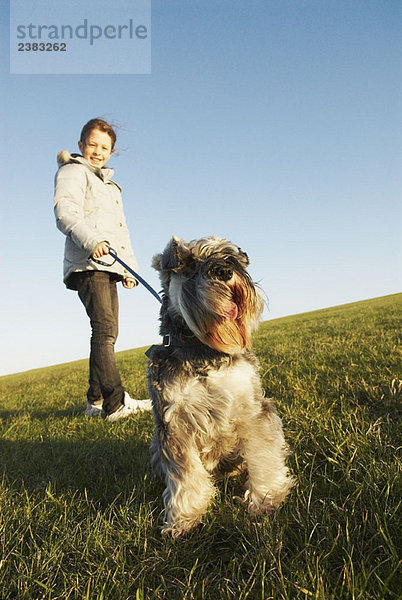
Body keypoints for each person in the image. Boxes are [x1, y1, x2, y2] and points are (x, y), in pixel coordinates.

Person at [54, 118, 151, 421]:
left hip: (108, 265)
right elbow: (65, 212)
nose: (98, 151)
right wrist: (92, 240)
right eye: (93, 144)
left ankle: (95, 401)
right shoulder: (73, 172)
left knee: (108, 331)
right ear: (81, 145)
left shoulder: (108, 185)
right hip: (87, 263)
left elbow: (121, 231)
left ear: (112, 151)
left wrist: (130, 270)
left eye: (104, 147)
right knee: (105, 330)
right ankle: (115, 403)